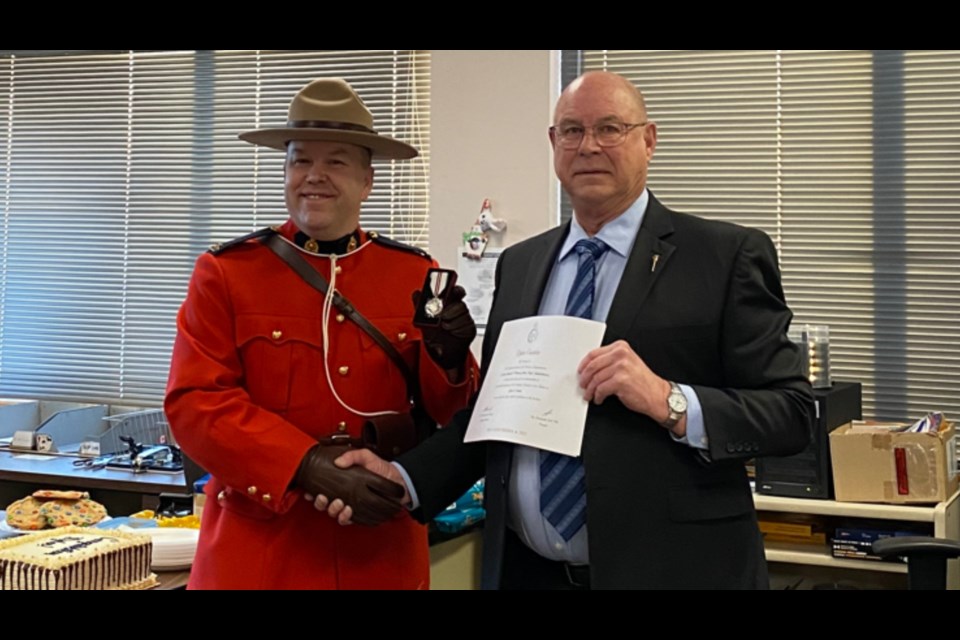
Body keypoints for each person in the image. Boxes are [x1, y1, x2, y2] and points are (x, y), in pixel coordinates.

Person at [331, 71, 815, 589]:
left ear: (648, 140)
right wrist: (405, 477)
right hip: (528, 573)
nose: (589, 146)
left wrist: (668, 400)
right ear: (553, 142)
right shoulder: (519, 264)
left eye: (610, 128)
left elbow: (790, 413)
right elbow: (498, 413)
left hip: (675, 571)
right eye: (571, 130)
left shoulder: (723, 257)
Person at [164, 78, 479, 590]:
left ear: (367, 180)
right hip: (261, 555)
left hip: (378, 550)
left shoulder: (413, 274)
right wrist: (305, 465)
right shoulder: (227, 273)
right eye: (299, 160)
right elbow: (195, 403)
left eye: (335, 161)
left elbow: (451, 412)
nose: (314, 176)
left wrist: (450, 360)